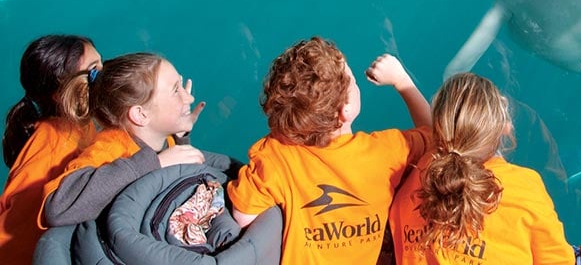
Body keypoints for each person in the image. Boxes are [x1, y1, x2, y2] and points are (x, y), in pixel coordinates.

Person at [227, 37, 432, 264]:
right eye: (352, 81)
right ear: (346, 109)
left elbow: (243, 215)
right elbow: (437, 137)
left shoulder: (274, 155)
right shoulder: (387, 152)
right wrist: (402, 82)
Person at [389, 72, 581, 265]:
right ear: (506, 128)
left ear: (437, 128)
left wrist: (402, 82)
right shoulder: (523, 187)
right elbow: (557, 261)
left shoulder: (415, 171)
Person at [39, 52, 213, 228]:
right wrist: (155, 163)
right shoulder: (109, 149)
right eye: (176, 90)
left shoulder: (166, 139)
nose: (189, 98)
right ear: (140, 114)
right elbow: (57, 208)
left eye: (182, 85)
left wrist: (181, 135)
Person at [0, 35, 102, 265]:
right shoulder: (54, 140)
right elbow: (20, 232)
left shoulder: (82, 126)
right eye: (94, 72)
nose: (107, 78)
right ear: (60, 92)